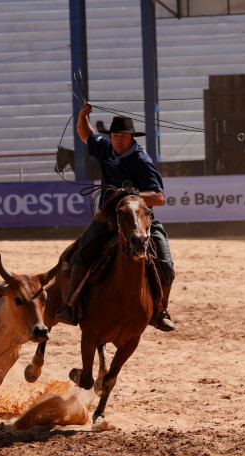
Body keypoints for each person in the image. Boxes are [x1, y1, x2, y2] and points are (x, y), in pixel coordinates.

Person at [53, 102, 175, 331]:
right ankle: (70, 305)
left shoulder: (142, 161)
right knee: (80, 253)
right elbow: (85, 133)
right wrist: (82, 115)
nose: (118, 140)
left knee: (166, 265)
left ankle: (159, 311)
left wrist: (130, 195)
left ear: (131, 138)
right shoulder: (105, 148)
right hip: (108, 218)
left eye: (122, 136)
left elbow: (158, 197)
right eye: (115, 136)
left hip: (139, 221)